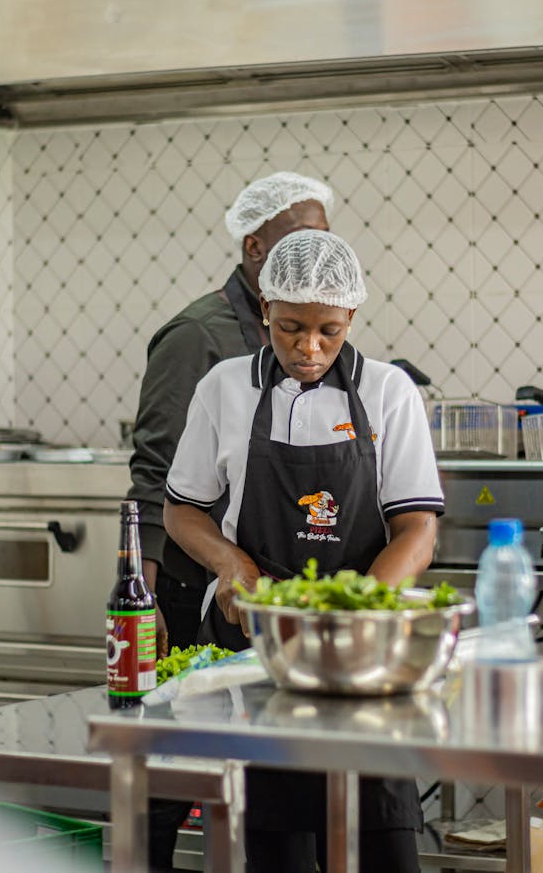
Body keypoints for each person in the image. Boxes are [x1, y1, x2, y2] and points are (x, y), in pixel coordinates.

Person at [164, 229, 444, 873]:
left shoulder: (387, 392)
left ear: (351, 318)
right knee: (275, 848)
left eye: (329, 331)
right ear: (264, 309)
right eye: (290, 327)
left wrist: (357, 607)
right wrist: (233, 566)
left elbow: (417, 531)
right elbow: (182, 509)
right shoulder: (224, 388)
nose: (309, 348)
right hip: (256, 651)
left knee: (384, 847)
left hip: (363, 662)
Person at [126, 171, 332, 872]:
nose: (317, 253)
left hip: (254, 591)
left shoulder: (293, 331)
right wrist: (145, 590)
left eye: (324, 239)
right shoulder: (197, 336)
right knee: (170, 754)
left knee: (253, 760)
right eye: (302, 238)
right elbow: (155, 473)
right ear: (254, 245)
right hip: (190, 582)